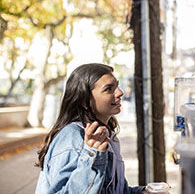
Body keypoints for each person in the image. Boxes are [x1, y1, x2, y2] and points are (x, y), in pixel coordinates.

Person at [35, 63, 146, 194]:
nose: (120, 92)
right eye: (108, 89)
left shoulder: (103, 135)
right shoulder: (73, 137)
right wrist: (93, 156)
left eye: (117, 85)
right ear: (85, 101)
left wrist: (143, 192)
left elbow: (114, 190)